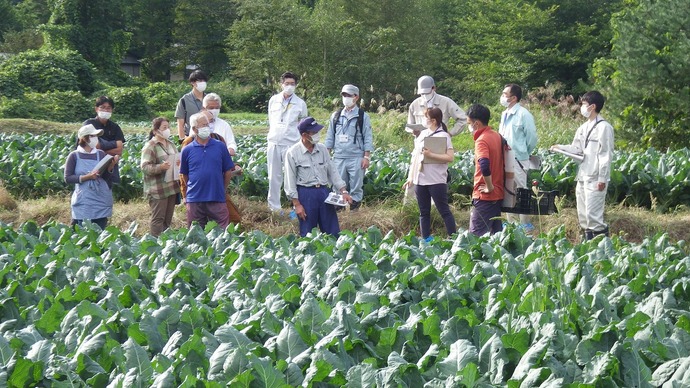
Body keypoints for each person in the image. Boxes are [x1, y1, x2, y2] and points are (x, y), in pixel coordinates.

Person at [551, 91, 614, 240]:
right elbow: (577, 149)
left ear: (593, 106)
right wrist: (560, 147)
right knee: (584, 215)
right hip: (583, 175)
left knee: (594, 216)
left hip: (595, 177)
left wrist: (602, 179)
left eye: (584, 104)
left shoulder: (604, 127)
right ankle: (588, 246)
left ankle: (601, 247)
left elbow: (605, 154)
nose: (582, 107)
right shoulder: (583, 128)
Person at [284, 117, 352, 237]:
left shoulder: (322, 149)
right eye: (314, 132)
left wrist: (343, 190)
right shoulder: (292, 153)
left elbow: (333, 171)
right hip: (305, 194)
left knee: (332, 230)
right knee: (308, 232)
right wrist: (297, 204)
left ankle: (335, 253)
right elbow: (290, 181)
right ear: (304, 135)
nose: (317, 135)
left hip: (324, 192)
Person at [180, 112, 243, 229]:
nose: (206, 128)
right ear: (194, 129)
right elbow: (184, 174)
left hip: (217, 197)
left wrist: (222, 189)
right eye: (203, 125)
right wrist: (189, 192)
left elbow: (228, 171)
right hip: (195, 199)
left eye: (207, 125)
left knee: (222, 233)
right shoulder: (187, 149)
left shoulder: (220, 146)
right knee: (195, 233)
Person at [403, 107, 456, 241]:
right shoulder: (423, 134)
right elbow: (415, 157)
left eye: (425, 118)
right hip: (420, 179)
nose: (424, 120)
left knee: (443, 210)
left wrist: (431, 155)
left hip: (436, 179)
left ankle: (453, 237)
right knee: (424, 212)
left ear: (433, 120)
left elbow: (450, 157)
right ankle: (425, 238)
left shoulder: (444, 136)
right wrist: (411, 177)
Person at [324, 84, 373, 211]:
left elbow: (367, 137)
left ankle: (354, 213)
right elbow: (330, 136)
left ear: (356, 97)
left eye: (348, 95)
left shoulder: (363, 116)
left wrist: (366, 157)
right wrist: (326, 154)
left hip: (356, 156)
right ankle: (338, 213)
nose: (345, 98)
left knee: (356, 186)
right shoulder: (335, 115)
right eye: (344, 95)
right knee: (337, 185)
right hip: (339, 156)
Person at [64, 124, 120, 229]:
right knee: (83, 231)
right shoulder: (74, 155)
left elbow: (106, 177)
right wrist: (87, 177)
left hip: (100, 198)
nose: (96, 139)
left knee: (100, 230)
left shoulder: (101, 154)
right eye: (93, 136)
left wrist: (111, 166)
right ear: (84, 138)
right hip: (84, 199)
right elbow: (68, 178)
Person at [267, 71, 308, 212]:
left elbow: (303, 125)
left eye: (292, 84)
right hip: (274, 142)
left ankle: (295, 206)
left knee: (292, 177)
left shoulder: (300, 103)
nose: (289, 86)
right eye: (287, 84)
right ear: (281, 84)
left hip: (291, 144)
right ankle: (274, 207)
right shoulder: (273, 100)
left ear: (296, 85)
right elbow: (271, 121)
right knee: (273, 176)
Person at [498, 83, 538, 231]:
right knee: (508, 191)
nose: (502, 97)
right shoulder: (504, 114)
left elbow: (532, 138)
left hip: (519, 159)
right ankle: (511, 224)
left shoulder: (523, 114)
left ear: (514, 98)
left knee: (522, 190)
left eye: (505, 94)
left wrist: (523, 153)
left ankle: (525, 224)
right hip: (505, 158)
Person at [467, 104, 505, 236]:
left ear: (476, 123)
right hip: (498, 194)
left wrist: (489, 186)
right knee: (496, 236)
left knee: (475, 237)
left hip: (485, 195)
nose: (469, 127)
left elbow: (484, 163)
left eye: (469, 123)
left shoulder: (481, 140)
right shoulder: (497, 136)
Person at [141, 117, 181, 236]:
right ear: (155, 131)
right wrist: (160, 167)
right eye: (164, 128)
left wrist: (177, 164)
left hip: (171, 188)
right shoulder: (150, 146)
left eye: (168, 127)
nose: (167, 130)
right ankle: (155, 245)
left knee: (167, 220)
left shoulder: (171, 144)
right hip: (158, 189)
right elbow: (145, 167)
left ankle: (165, 243)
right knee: (158, 219)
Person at [83, 96, 124, 183]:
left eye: (108, 108)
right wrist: (111, 148)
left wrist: (100, 149)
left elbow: (119, 150)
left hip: (111, 164)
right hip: (91, 163)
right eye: (102, 107)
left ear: (112, 110)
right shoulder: (89, 124)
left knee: (109, 188)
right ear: (96, 109)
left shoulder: (115, 127)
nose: (105, 110)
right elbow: (92, 147)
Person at [175, 70, 208, 141]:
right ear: (192, 83)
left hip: (207, 137)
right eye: (200, 81)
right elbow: (180, 124)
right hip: (190, 137)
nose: (203, 83)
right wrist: (183, 140)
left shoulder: (208, 99)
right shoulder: (184, 100)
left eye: (204, 81)